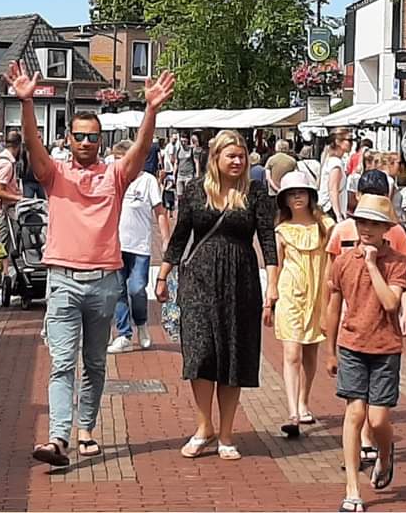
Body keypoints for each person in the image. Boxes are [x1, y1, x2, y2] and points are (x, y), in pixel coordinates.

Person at [4, 60, 175, 469]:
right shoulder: (54, 174)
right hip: (62, 280)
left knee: (95, 363)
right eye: (79, 136)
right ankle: (58, 438)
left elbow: (139, 153)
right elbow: (33, 149)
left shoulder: (115, 175)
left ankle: (86, 429)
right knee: (63, 362)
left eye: (92, 137)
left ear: (100, 140)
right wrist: (26, 104)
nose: (85, 142)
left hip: (103, 282)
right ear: (69, 138)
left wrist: (151, 111)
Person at [156, 130, 277, 462]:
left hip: (241, 281)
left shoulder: (255, 193)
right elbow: (180, 236)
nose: (238, 161)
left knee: (233, 356)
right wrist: (164, 274)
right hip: (199, 280)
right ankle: (203, 426)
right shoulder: (196, 190)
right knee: (200, 354)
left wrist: (274, 288)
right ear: (216, 158)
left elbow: (268, 241)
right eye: (231, 156)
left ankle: (226, 434)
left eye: (242, 156)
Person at [325, 194, 406, 513]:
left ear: (386, 227)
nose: (366, 229)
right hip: (352, 345)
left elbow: (390, 303)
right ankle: (352, 489)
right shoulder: (343, 261)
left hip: (386, 347)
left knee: (378, 419)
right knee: (355, 413)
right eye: (361, 222)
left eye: (373, 223)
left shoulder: (397, 261)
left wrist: (373, 263)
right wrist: (329, 350)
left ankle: (385, 456)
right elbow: (333, 307)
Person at [264, 169, 332, 439]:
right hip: (291, 294)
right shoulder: (281, 230)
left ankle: (304, 401)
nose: (297, 198)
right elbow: (275, 268)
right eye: (291, 194)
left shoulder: (326, 226)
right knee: (291, 353)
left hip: (318, 295)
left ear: (310, 195)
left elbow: (335, 260)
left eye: (301, 192)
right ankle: (292, 411)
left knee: (310, 352)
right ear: (284, 200)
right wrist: (269, 300)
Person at [107, 140, 171, 354]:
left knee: (136, 289)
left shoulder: (147, 181)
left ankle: (141, 323)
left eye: (121, 160)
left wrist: (165, 239)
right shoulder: (111, 178)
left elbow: (160, 211)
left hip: (140, 245)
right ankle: (124, 334)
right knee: (118, 291)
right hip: (115, 244)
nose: (118, 165)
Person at [319, 132, 351, 222]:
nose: (352, 143)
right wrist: (338, 215)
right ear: (338, 142)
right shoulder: (335, 163)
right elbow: (333, 190)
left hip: (329, 208)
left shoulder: (333, 161)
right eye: (349, 140)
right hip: (331, 209)